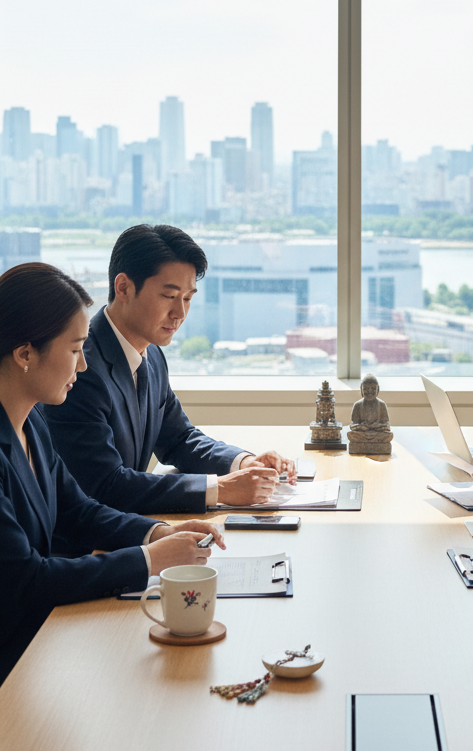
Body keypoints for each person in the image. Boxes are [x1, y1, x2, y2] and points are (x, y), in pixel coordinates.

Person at [0, 263, 224, 751]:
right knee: (122, 709)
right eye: (75, 350)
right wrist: (148, 563)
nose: (83, 366)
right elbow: (29, 582)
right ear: (25, 354)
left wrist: (154, 534)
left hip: (1, 639)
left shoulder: (27, 420)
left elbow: (78, 511)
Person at [42, 225, 295, 542]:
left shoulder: (151, 354)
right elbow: (105, 485)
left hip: (129, 528)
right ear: (123, 288)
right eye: (169, 296)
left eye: (188, 298)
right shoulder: (81, 368)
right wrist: (222, 489)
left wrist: (243, 463)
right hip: (86, 544)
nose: (180, 313)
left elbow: (178, 439)